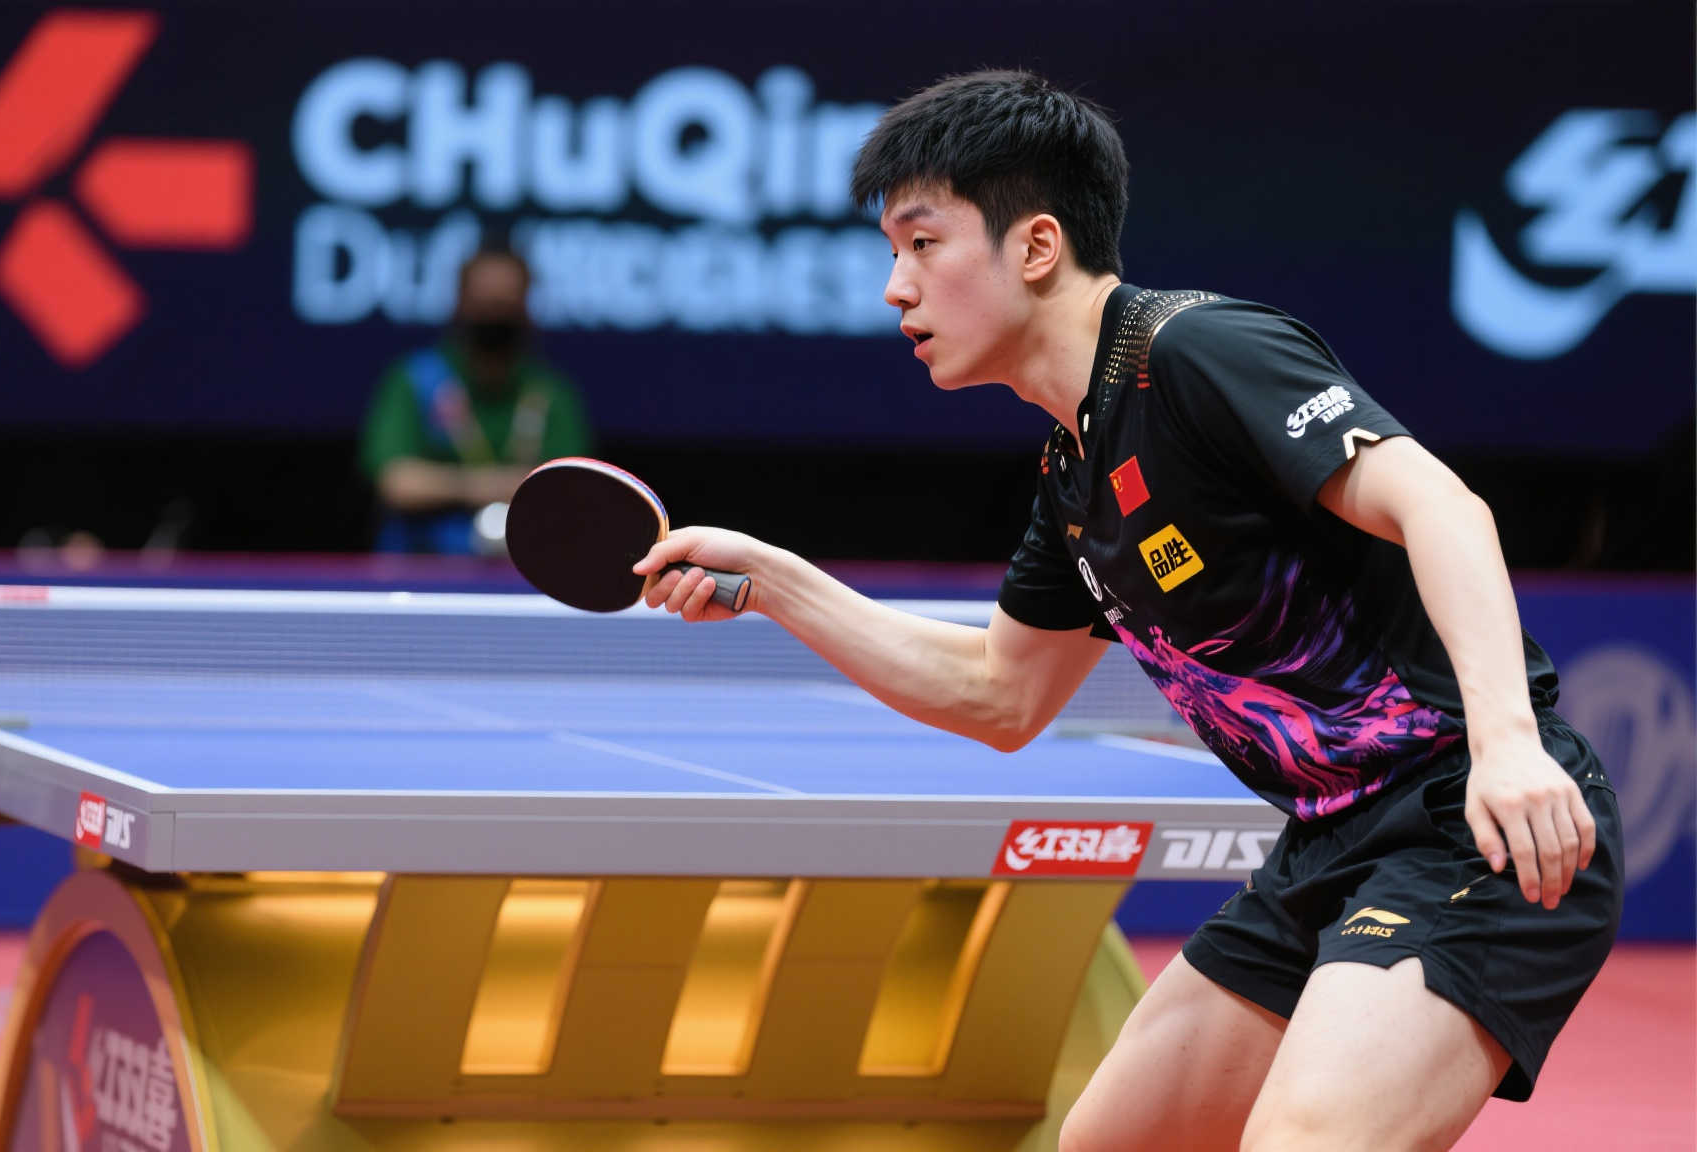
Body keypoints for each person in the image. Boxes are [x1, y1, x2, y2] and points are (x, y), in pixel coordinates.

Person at [634, 71, 1621, 1151]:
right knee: (1108, 1141)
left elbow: (1440, 505)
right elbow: (996, 696)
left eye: (921, 244)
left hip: (1470, 824)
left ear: (1035, 246)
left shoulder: (1194, 354)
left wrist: (1507, 744)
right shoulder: (1073, 473)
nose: (893, 288)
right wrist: (776, 582)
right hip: (1328, 844)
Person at [359, 245, 592, 554]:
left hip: (525, 565)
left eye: (505, 304)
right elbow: (396, 482)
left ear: (526, 307)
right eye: (484, 303)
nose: (495, 315)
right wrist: (487, 485)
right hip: (423, 562)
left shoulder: (550, 394)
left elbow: (571, 489)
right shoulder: (415, 380)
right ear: (460, 303)